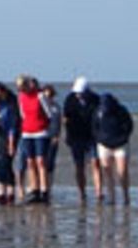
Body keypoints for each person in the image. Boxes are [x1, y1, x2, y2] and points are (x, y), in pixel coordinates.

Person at [92, 86, 136, 206]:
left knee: (122, 171)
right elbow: (94, 127)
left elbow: (129, 126)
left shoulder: (121, 111)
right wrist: (99, 139)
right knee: (107, 171)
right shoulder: (98, 112)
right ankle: (111, 197)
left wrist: (123, 138)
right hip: (104, 145)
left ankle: (125, 195)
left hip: (120, 144)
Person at [60, 77, 99, 203]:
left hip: (92, 136)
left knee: (95, 163)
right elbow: (65, 117)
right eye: (77, 93)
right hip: (76, 137)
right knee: (79, 165)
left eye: (81, 93)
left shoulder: (95, 99)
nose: (79, 95)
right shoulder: (70, 99)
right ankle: (81, 192)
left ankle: (99, 192)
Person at [14, 75, 52, 203]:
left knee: (40, 160)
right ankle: (34, 189)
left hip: (40, 132)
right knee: (30, 161)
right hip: (27, 132)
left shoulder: (40, 96)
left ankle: (44, 190)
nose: (22, 90)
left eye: (23, 87)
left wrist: (45, 126)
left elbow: (49, 113)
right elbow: (22, 114)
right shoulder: (21, 97)